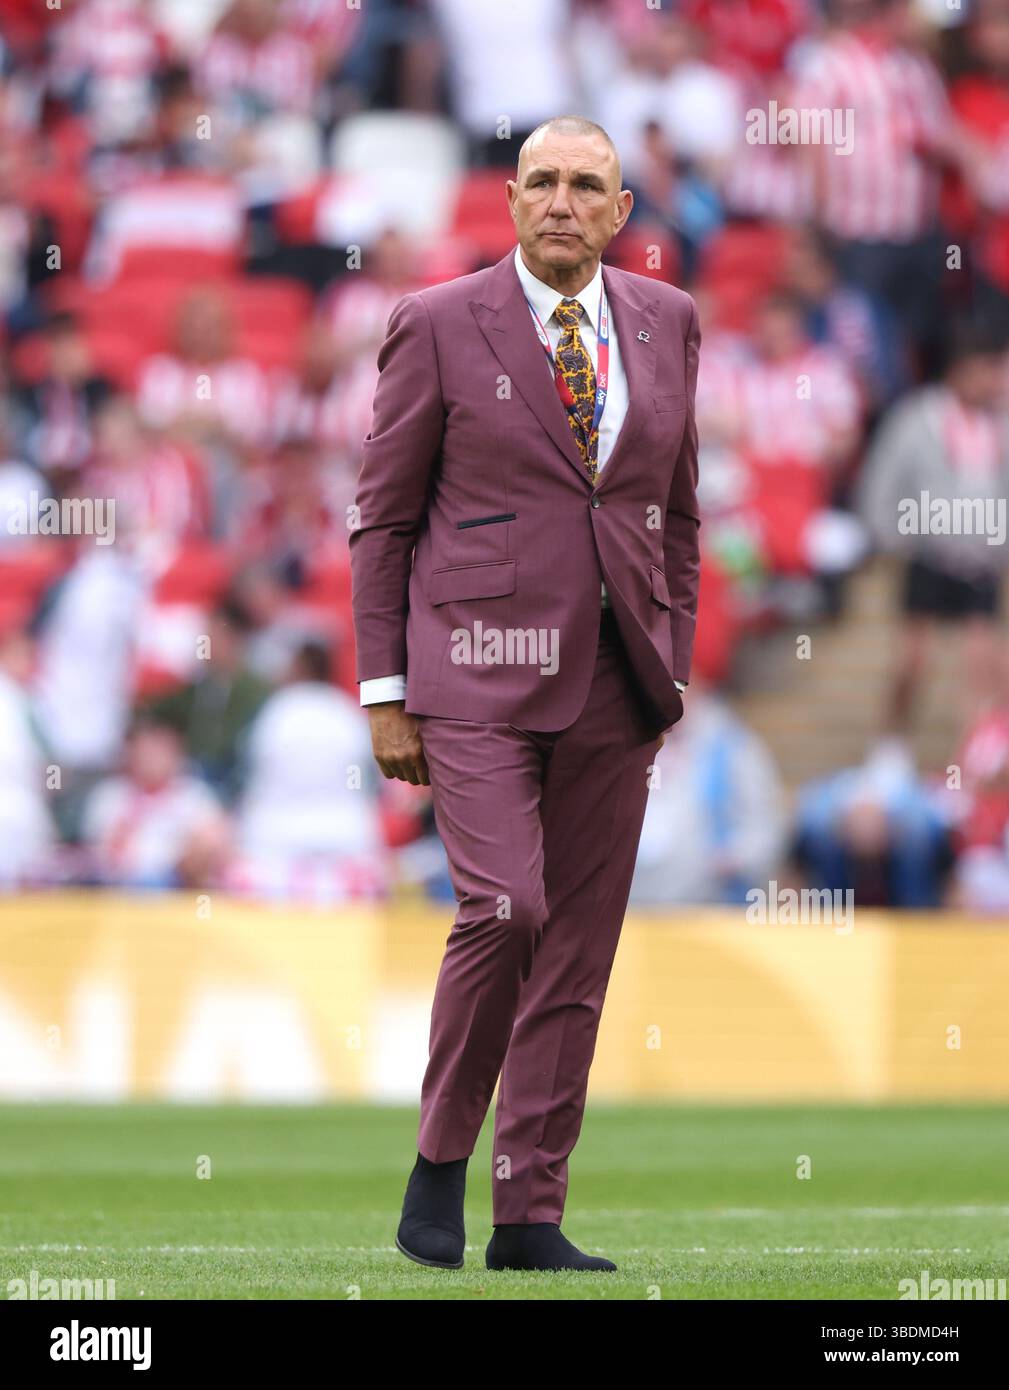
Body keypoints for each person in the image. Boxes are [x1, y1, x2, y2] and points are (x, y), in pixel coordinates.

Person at [350, 116, 701, 1272]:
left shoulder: (670, 324)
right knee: (507, 908)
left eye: (583, 185)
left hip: (618, 678)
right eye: (540, 181)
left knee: (580, 954)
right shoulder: (438, 322)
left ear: (619, 211)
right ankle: (442, 1156)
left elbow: (677, 509)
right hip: (471, 673)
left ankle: (528, 1214)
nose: (560, 200)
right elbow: (385, 519)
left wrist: (675, 650)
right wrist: (385, 691)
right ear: (508, 200)